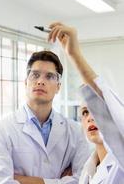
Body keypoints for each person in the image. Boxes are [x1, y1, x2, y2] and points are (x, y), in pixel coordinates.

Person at [0, 43, 89, 182]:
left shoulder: (75, 132)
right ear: (26, 82)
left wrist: (24, 180)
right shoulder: (0, 129)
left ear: (58, 87)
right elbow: (1, 181)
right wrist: (60, 181)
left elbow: (83, 180)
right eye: (35, 75)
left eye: (49, 76)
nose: (40, 81)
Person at [46, 22, 124, 183]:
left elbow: (104, 100)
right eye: (85, 112)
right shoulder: (88, 171)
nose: (90, 117)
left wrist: (74, 55)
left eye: (95, 110)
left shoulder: (119, 163)